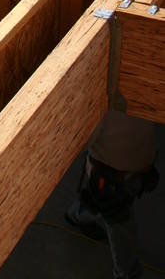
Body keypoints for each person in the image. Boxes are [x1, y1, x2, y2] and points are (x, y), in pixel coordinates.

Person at [66, 111, 159, 279]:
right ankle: (126, 273)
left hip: (129, 172)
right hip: (109, 176)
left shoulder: (137, 91)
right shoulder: (99, 101)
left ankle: (78, 214)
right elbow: (81, 140)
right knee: (120, 224)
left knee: (103, 205)